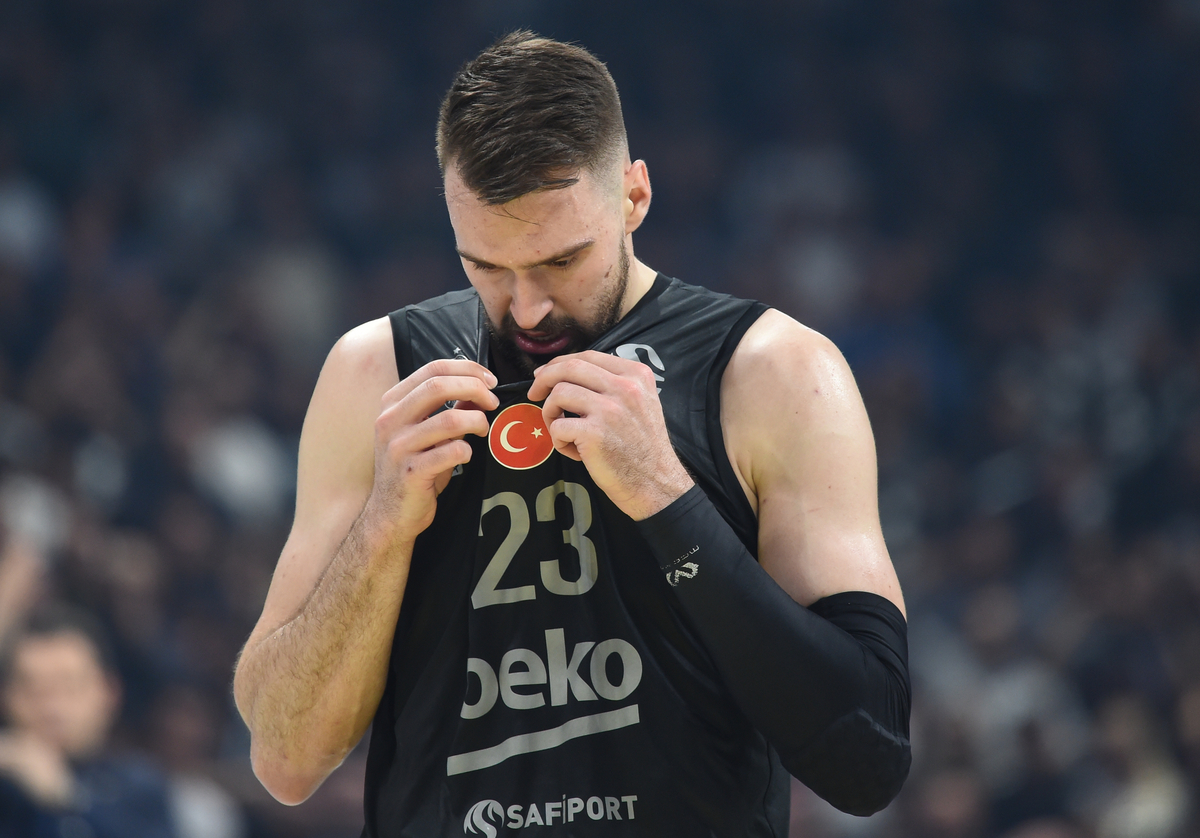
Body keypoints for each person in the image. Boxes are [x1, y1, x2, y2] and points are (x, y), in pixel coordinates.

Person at [233, 31, 911, 836]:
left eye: (560, 261)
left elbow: (867, 758)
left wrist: (667, 497)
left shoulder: (772, 371)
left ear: (634, 198)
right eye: (485, 265)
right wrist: (383, 527)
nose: (526, 309)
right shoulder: (376, 371)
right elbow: (284, 758)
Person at [0, 605, 176, 838]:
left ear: (109, 692)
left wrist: (62, 798)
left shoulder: (139, 789)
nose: (51, 709)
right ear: (6, 698)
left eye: (69, 688)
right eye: (33, 691)